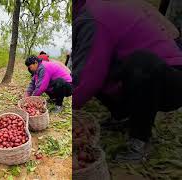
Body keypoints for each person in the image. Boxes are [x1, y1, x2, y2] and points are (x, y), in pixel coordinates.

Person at [73, 0, 182, 163]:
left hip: (171, 79)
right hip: (152, 73)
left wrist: (64, 110)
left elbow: (88, 79)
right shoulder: (100, 7)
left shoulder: (93, 17)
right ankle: (123, 115)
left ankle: (140, 141)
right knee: (100, 61)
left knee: (140, 63)